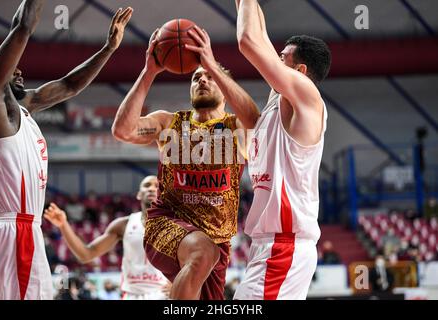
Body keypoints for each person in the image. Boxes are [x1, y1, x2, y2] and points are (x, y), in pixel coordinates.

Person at [0, 2, 132, 300]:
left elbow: (68, 86)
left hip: (17, 229)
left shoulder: (21, 109)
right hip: (14, 231)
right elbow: (22, 27)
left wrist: (108, 49)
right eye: (11, 69)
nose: (20, 71)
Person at [112, 26, 259, 300]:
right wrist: (149, 73)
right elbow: (123, 131)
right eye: (195, 77)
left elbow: (257, 123)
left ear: (224, 88)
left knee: (207, 272)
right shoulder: (169, 122)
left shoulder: (236, 127)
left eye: (209, 77)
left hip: (217, 240)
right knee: (203, 252)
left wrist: (211, 63)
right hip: (165, 224)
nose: (201, 80)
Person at [233, 0, 332, 300]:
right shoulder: (278, 102)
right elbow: (258, 33)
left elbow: (248, 41)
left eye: (282, 59)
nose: (274, 61)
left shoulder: (306, 96)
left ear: (300, 70)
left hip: (284, 246)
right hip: (273, 245)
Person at [44, 176, 171, 300]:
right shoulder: (123, 224)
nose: (152, 189)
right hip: (131, 295)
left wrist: (178, 282)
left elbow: (190, 261)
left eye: (157, 186)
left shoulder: (174, 226)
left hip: (162, 294)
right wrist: (63, 225)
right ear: (139, 194)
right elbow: (86, 254)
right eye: (147, 185)